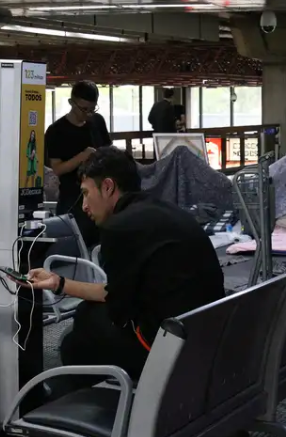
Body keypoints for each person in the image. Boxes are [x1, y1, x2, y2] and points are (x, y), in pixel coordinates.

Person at [26, 147, 224, 385]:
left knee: (77, 337)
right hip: (208, 336)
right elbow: (115, 293)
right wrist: (59, 283)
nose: (84, 206)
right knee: (86, 320)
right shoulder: (167, 210)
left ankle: (94, 414)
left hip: (168, 347)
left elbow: (118, 310)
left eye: (86, 194)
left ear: (108, 186)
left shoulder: (120, 227)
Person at [44, 80, 112, 248]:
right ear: (71, 102)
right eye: (83, 109)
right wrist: (83, 156)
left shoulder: (97, 122)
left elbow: (109, 151)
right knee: (74, 249)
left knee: (101, 247)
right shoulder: (56, 130)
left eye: (92, 109)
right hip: (72, 198)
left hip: (100, 198)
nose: (88, 114)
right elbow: (58, 169)